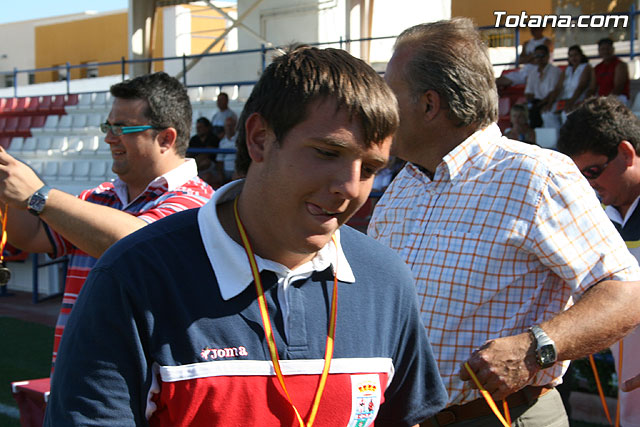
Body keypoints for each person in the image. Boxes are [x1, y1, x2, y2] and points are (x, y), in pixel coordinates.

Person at [45, 46, 448, 426]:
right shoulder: (134, 276)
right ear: (259, 139)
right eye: (327, 153)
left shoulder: (386, 279)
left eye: (371, 168)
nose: (350, 187)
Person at [369, 18, 640, 426]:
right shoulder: (403, 186)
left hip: (505, 415)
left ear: (429, 104)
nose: (380, 110)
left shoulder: (537, 175)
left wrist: (535, 348)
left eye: (390, 95)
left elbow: (626, 292)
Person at [0, 71, 214, 372]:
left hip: (142, 391)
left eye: (122, 128)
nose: (109, 137)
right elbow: (31, 235)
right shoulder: (98, 197)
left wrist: (38, 196)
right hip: (76, 379)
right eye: (108, 126)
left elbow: (139, 248)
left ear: (166, 138)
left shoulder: (199, 203)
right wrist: (8, 184)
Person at [557, 96, 640, 427]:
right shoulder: (597, 216)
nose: (589, 184)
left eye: (592, 171)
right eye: (580, 176)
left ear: (626, 153)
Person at [549, 44, 593, 126]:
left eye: (576, 55)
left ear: (581, 55)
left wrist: (571, 102)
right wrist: (550, 103)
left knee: (566, 114)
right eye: (571, 56)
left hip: (579, 99)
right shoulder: (567, 69)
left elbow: (581, 87)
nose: (573, 58)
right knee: (547, 113)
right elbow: (558, 87)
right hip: (564, 100)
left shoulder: (586, 67)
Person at [524, 44, 563, 128]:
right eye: (536, 56)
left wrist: (542, 104)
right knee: (519, 112)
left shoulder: (555, 71)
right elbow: (528, 93)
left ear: (548, 56)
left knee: (546, 114)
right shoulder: (532, 73)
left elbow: (553, 92)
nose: (539, 58)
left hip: (552, 101)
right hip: (537, 102)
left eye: (541, 55)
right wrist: (532, 104)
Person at [592, 38, 630, 105]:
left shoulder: (620, 65)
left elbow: (618, 88)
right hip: (602, 99)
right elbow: (593, 88)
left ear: (613, 49)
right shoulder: (597, 68)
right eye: (603, 49)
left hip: (619, 98)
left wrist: (606, 101)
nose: (605, 51)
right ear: (599, 51)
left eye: (608, 49)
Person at [189, 117, 223, 188]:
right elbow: (188, 154)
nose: (198, 129)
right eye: (197, 127)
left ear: (207, 128)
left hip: (211, 168)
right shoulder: (194, 139)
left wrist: (195, 162)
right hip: (196, 167)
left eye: (201, 127)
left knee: (206, 163)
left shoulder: (213, 138)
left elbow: (207, 155)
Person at [217, 115, 238, 182]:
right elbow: (220, 160)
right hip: (226, 171)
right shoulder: (222, 142)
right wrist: (220, 174)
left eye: (231, 125)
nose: (229, 127)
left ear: (235, 126)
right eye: (227, 125)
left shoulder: (241, 139)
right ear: (224, 127)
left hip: (238, 171)